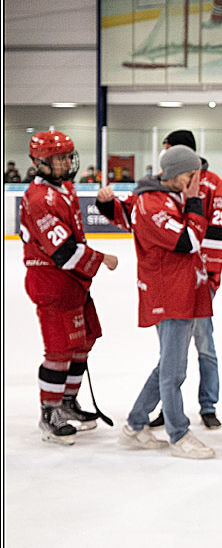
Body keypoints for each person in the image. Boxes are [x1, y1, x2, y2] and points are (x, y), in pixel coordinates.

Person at [97, 129, 222, 430]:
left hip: (199, 282)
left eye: (168, 148)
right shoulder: (164, 184)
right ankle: (165, 419)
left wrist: (209, 278)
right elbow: (136, 216)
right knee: (173, 360)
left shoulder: (210, 185)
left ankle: (207, 405)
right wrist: (108, 206)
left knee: (204, 348)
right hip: (175, 285)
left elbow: (219, 235)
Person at [19, 131, 118, 444]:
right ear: (40, 163)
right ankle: (50, 411)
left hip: (73, 281)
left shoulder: (66, 188)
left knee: (83, 342)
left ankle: (67, 402)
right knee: (59, 349)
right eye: (57, 157)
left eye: (66, 156)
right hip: (51, 281)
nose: (65, 162)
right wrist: (102, 258)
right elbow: (63, 252)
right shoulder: (39, 200)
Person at [118, 146, 215, 459]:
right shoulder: (152, 203)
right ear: (174, 174)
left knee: (167, 366)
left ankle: (135, 424)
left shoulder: (169, 198)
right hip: (169, 296)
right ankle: (178, 433)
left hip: (182, 292)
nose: (195, 182)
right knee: (174, 372)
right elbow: (189, 241)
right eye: (191, 175)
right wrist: (196, 201)